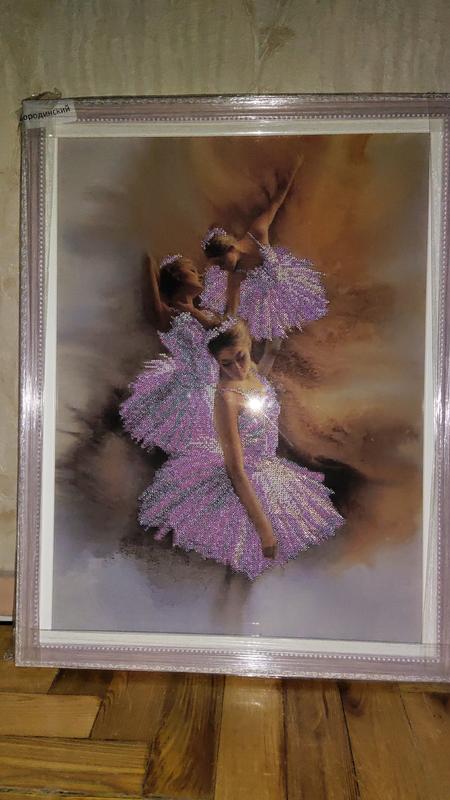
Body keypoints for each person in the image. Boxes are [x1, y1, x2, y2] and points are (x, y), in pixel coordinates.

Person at [138, 321, 344, 579]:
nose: (237, 369)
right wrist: (264, 531)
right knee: (244, 561)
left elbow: (261, 376)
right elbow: (235, 470)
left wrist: (272, 349)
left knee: (271, 570)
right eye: (226, 364)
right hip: (242, 481)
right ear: (216, 363)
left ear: (248, 346)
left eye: (241, 358)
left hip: (270, 472)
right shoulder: (225, 398)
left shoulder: (253, 373)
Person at [200, 159, 328, 340]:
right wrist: (224, 328)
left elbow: (276, 202)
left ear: (230, 249)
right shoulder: (234, 275)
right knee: (276, 335)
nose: (221, 268)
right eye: (218, 265)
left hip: (285, 281)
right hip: (264, 300)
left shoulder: (256, 232)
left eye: (221, 262)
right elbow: (231, 309)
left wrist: (294, 168)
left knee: (304, 321)